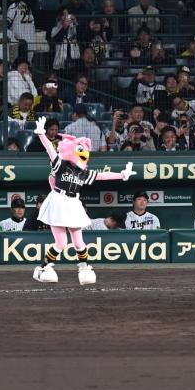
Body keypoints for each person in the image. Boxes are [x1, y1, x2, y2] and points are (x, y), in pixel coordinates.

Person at [30, 117, 136, 285]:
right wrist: (42, 134)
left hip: (73, 203)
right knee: (61, 243)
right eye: (80, 148)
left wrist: (122, 175)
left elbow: (102, 175)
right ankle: (43, 268)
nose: (84, 153)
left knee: (79, 242)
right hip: (58, 200)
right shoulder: (62, 165)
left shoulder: (84, 173)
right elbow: (50, 150)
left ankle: (84, 268)